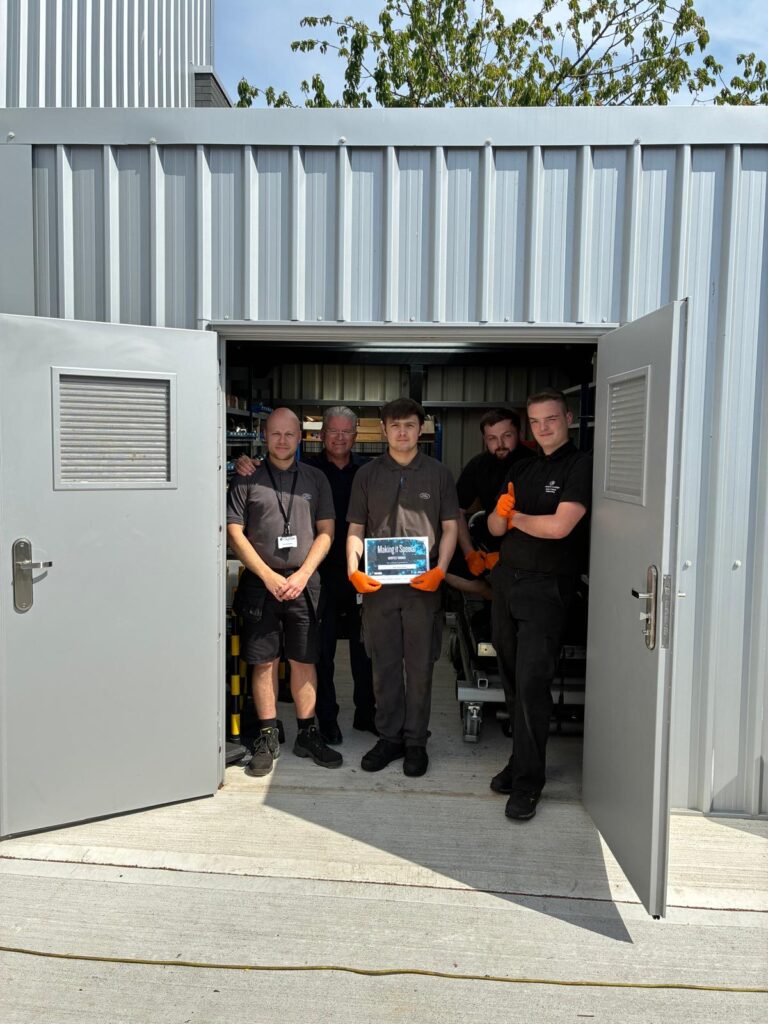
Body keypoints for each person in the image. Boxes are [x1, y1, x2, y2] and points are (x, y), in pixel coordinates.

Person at [234, 407, 376, 745]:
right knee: (318, 653)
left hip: (356, 570)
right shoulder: (306, 470)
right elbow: (237, 528)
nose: (339, 437)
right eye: (333, 431)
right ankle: (325, 721)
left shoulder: (368, 471)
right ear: (320, 435)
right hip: (317, 573)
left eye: (346, 432)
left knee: (363, 648)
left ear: (355, 436)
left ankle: (367, 714)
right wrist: (245, 462)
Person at [487, 388, 592, 821]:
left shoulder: (580, 465)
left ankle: (529, 783)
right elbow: (494, 528)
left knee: (532, 684)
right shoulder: (522, 467)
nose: (543, 427)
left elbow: (560, 527)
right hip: (507, 583)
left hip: (547, 589)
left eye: (550, 419)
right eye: (535, 421)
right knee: (512, 681)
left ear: (567, 418)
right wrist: (502, 514)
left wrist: (515, 518)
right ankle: (520, 762)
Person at [346, 398, 459, 777]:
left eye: (409, 424)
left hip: (422, 589)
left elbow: (450, 527)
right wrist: (353, 570)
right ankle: (390, 737)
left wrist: (441, 570)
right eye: (394, 425)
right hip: (378, 589)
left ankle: (416, 742)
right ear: (383, 430)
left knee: (421, 666)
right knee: (384, 665)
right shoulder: (367, 475)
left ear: (421, 428)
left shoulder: (439, 474)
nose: (402, 432)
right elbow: (356, 528)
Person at [226, 407, 342, 777]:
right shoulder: (247, 478)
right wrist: (267, 576)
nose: (282, 440)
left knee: (305, 660)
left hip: (304, 584)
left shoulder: (316, 479)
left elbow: (327, 532)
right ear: (265, 435)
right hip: (261, 585)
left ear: (300, 437)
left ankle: (307, 733)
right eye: (275, 433)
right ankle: (267, 736)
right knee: (264, 662)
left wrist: (304, 574)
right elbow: (234, 533)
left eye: (289, 434)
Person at [446, 408, 536, 596]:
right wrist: (470, 553)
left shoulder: (535, 464)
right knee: (444, 567)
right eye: (492, 438)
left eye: (507, 436)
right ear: (485, 440)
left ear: (519, 434)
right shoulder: (478, 465)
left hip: (529, 549)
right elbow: (456, 510)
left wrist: (507, 556)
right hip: (489, 544)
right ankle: (493, 599)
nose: (500, 444)